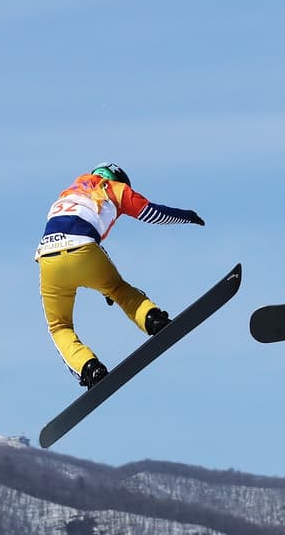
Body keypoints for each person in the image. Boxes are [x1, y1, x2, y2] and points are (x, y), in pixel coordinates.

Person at [36, 163, 205, 387]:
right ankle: (153, 320)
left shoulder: (67, 193)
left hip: (48, 258)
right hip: (84, 249)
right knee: (117, 289)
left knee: (59, 326)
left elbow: (69, 228)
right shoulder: (115, 188)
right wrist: (186, 216)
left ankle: (89, 369)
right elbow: (152, 213)